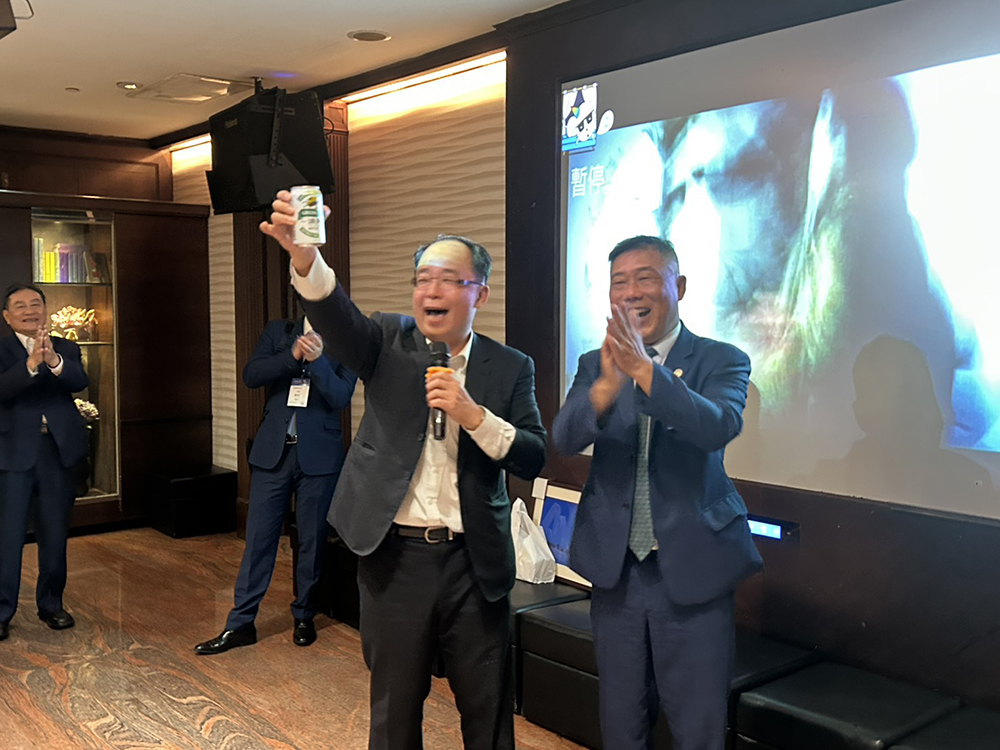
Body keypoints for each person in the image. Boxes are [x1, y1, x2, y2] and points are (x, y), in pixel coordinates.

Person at [260, 192, 547, 750]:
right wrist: (305, 258)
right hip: (395, 559)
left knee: (487, 713)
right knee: (393, 713)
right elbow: (336, 318)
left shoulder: (511, 367)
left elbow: (533, 455)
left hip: (475, 562)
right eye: (422, 279)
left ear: (480, 294)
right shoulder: (386, 340)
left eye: (449, 280)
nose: (431, 291)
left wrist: (474, 415)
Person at [552, 236, 763, 750]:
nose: (631, 293)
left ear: (679, 286)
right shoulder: (594, 363)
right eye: (619, 282)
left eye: (645, 278)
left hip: (693, 569)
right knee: (621, 724)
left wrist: (646, 372)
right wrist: (606, 386)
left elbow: (716, 426)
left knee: (697, 729)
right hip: (617, 574)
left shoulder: (722, 359)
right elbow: (563, 438)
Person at [195, 315, 356, 654]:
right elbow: (252, 375)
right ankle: (241, 623)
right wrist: (293, 355)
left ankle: (305, 615)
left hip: (319, 458)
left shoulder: (347, 337)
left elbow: (341, 395)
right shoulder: (279, 332)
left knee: (312, 541)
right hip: (273, 453)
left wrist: (317, 360)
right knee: (258, 541)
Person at [0, 283, 89, 642]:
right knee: (8, 536)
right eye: (20, 305)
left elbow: (79, 381)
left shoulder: (65, 347)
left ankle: (51, 604)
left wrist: (52, 360)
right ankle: (2, 611)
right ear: (7, 316)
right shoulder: (2, 350)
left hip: (57, 451)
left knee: (54, 532)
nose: (29, 310)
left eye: (35, 303)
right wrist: (31, 364)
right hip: (13, 453)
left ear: (45, 310)